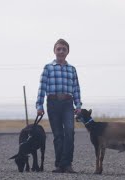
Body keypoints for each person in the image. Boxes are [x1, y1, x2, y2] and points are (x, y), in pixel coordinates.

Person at [36, 39, 82, 173]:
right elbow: (42, 87)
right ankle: (59, 165)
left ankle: (67, 164)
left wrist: (78, 105)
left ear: (68, 52)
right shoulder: (48, 67)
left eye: (64, 49)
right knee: (58, 135)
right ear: (54, 51)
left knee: (70, 132)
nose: (61, 51)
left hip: (68, 104)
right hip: (52, 103)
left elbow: (76, 88)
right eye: (59, 49)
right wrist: (39, 106)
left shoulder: (72, 69)